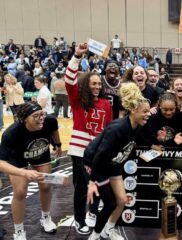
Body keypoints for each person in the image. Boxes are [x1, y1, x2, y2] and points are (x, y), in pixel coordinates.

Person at [86, 82, 151, 240]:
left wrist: (156, 143)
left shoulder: (138, 126)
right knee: (110, 204)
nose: (148, 114)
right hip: (97, 164)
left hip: (113, 163)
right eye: (145, 112)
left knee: (122, 200)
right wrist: (92, 182)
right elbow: (100, 156)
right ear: (133, 110)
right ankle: (94, 236)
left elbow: (143, 139)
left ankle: (108, 230)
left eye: (149, 111)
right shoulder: (117, 128)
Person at [64, 43, 113, 235]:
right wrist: (77, 56)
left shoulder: (105, 104)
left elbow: (108, 128)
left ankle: (93, 212)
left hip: (99, 152)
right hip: (79, 150)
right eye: (93, 83)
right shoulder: (77, 100)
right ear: (86, 84)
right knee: (82, 188)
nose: (97, 86)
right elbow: (69, 80)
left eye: (99, 84)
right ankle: (79, 219)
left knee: (99, 184)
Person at [0, 101, 62, 240]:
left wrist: (58, 144)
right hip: (17, 158)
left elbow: (54, 129)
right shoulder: (11, 133)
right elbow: (1, 163)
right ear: (24, 119)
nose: (41, 118)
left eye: (42, 114)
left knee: (46, 186)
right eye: (35, 116)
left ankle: (45, 217)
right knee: (20, 192)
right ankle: (19, 231)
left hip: (39, 152)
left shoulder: (49, 120)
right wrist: (24, 172)